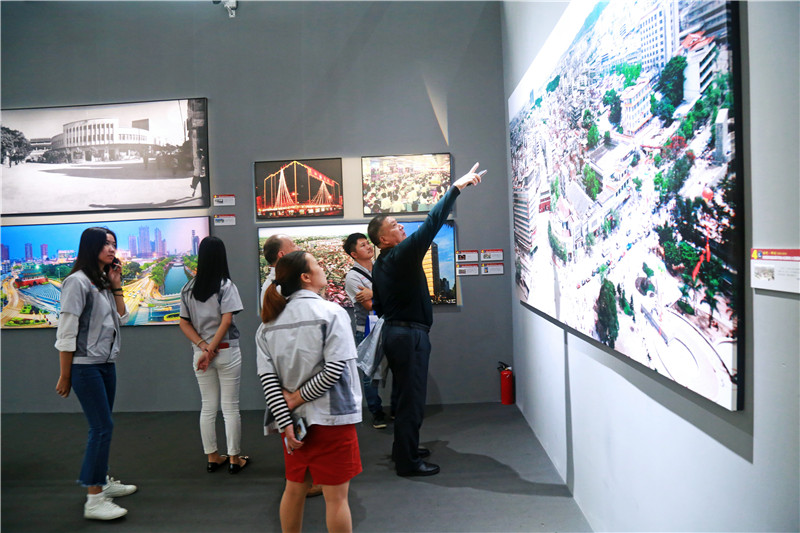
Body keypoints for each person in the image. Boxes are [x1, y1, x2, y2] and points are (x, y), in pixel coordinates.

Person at [368, 162, 485, 477]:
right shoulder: (400, 255)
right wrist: (456, 188)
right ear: (383, 240)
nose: (401, 228)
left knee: (404, 396)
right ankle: (407, 462)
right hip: (409, 336)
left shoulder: (381, 264)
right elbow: (432, 222)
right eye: (395, 225)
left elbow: (378, 305)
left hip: (397, 333)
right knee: (412, 399)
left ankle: (404, 450)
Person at [257, 251, 362, 533]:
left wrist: (286, 419)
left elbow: (268, 380)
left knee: (294, 489)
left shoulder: (267, 325)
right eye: (316, 264)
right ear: (305, 277)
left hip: (294, 425)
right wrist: (297, 398)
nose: (322, 267)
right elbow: (335, 370)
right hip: (332, 418)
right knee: (337, 499)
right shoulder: (332, 313)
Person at [54, 227, 138, 520]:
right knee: (101, 428)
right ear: (91, 247)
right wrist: (65, 375)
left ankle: (101, 480)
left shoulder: (101, 281)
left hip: (105, 363)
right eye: (105, 244)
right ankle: (94, 499)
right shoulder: (76, 282)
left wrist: (116, 285)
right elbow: (66, 332)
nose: (112, 249)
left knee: (104, 426)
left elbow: (123, 317)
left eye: (114, 243)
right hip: (84, 366)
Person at [179, 236, 249, 474]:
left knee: (207, 406)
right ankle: (234, 459)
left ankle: (212, 457)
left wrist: (204, 348)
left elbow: (184, 323)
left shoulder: (187, 288)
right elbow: (226, 321)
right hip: (227, 351)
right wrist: (212, 350)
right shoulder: (226, 286)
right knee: (230, 408)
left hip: (199, 355)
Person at [343, 232, 389, 429]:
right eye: (362, 245)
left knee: (397, 368)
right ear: (354, 254)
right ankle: (376, 412)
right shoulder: (353, 277)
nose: (369, 246)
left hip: (389, 325)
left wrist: (374, 292)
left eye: (368, 243)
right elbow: (371, 306)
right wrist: (383, 294)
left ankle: (397, 408)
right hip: (367, 329)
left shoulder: (382, 268)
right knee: (369, 374)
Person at [261, 234, 300, 302]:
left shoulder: (270, 285)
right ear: (282, 254)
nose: (299, 248)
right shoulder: (284, 288)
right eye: (294, 246)